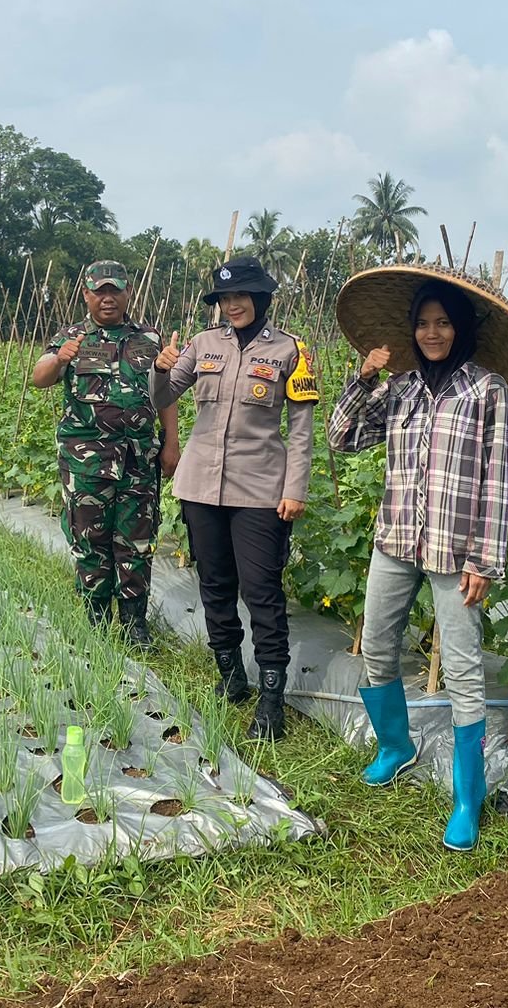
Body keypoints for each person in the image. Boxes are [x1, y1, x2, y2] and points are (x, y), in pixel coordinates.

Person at [327, 266, 508, 850]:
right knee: (377, 647)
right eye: (423, 323)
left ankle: (468, 799)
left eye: (443, 322)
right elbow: (343, 439)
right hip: (395, 540)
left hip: (455, 550)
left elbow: (497, 482)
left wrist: (485, 560)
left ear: (460, 327)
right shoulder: (401, 388)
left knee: (464, 672)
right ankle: (395, 746)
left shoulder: (487, 391)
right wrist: (363, 379)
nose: (432, 333)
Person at [151, 255, 318, 740]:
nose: (233, 305)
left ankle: (271, 699)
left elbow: (301, 430)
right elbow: (162, 397)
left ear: (261, 298)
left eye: (241, 295)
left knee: (262, 592)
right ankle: (231, 676)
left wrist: (295, 489)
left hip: (260, 490)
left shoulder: (290, 351)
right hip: (200, 486)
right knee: (215, 585)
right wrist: (160, 369)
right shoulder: (203, 344)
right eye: (225, 298)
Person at [31, 260, 180, 648]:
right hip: (87, 463)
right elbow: (40, 377)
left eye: (115, 290)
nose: (108, 298)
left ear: (127, 293)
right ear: (87, 295)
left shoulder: (149, 337)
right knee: (90, 541)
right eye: (100, 291)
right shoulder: (72, 337)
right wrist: (60, 358)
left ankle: (134, 624)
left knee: (137, 542)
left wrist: (172, 443)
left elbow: (164, 394)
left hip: (138, 460)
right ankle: (95, 619)